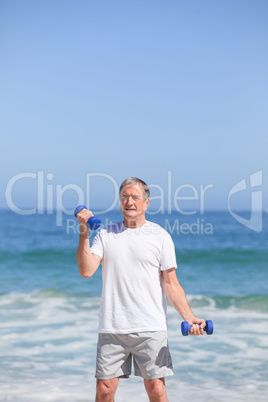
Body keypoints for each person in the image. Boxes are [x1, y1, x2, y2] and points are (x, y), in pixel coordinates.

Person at [76, 177, 206, 402]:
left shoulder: (160, 236)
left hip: (150, 326)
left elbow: (171, 283)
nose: (129, 202)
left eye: (135, 197)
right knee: (105, 388)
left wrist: (189, 316)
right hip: (112, 326)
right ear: (120, 202)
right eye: (125, 197)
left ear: (146, 203)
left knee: (156, 389)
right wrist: (84, 232)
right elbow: (86, 270)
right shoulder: (106, 235)